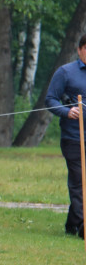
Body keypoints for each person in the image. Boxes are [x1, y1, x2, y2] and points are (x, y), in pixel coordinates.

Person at [44, 33, 86, 239]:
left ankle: (72, 223)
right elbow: (50, 99)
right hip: (73, 137)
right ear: (80, 50)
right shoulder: (65, 72)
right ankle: (81, 227)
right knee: (78, 180)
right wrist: (67, 112)